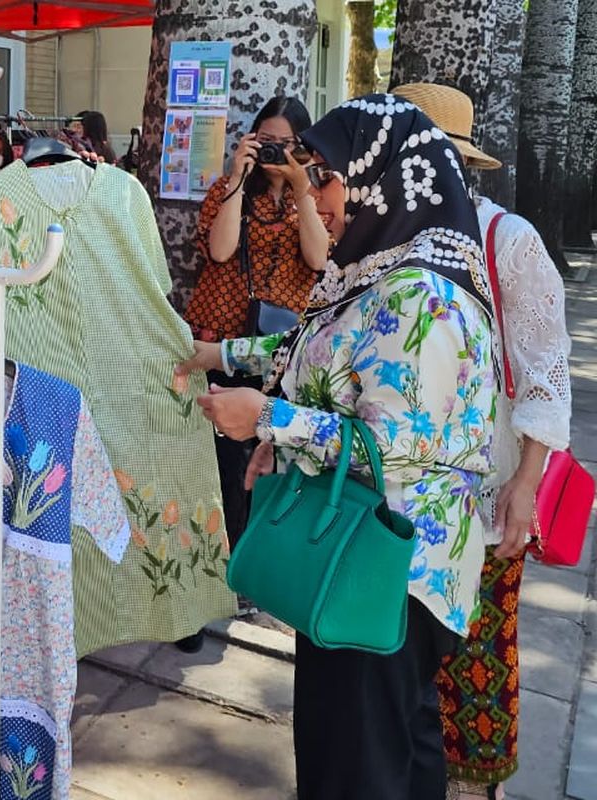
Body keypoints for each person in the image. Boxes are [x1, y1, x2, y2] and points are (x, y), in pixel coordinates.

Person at [176, 95, 496, 799]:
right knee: (390, 743)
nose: (311, 198)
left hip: (389, 564)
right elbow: (318, 353)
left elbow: (400, 449)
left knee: (356, 761)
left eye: (325, 178)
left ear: (381, 180)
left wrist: (270, 421)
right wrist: (219, 354)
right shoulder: (380, 274)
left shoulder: (422, 296)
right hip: (368, 556)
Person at [394, 82, 573, 800]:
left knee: (479, 649)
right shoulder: (388, 237)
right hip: (401, 489)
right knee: (401, 648)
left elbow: (545, 377)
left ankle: (474, 786)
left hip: (485, 490)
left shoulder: (508, 241)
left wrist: (525, 487)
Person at [178, 96, 343, 652]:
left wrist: (298, 186)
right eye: (264, 141)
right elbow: (221, 251)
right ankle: (200, 588)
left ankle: (246, 573)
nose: (274, 152)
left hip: (273, 351)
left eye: (285, 144)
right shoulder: (225, 195)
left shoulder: (311, 203)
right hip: (217, 342)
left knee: (257, 464)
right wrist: (235, 178)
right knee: (209, 466)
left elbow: (320, 263)